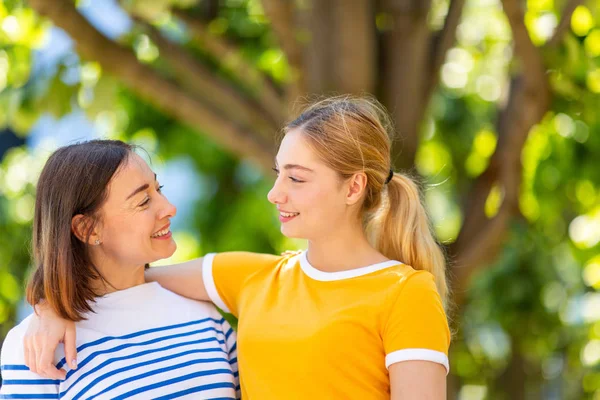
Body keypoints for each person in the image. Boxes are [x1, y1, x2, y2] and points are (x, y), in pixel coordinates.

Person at [23, 96, 451, 399]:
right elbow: (122, 279)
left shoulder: (405, 293)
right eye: (277, 173)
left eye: (297, 179)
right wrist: (52, 306)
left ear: (353, 187)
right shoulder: (252, 277)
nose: (275, 193)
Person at [1, 140, 239, 399]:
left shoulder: (203, 313)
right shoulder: (39, 345)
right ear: (87, 229)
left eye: (159, 189)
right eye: (144, 201)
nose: (169, 208)